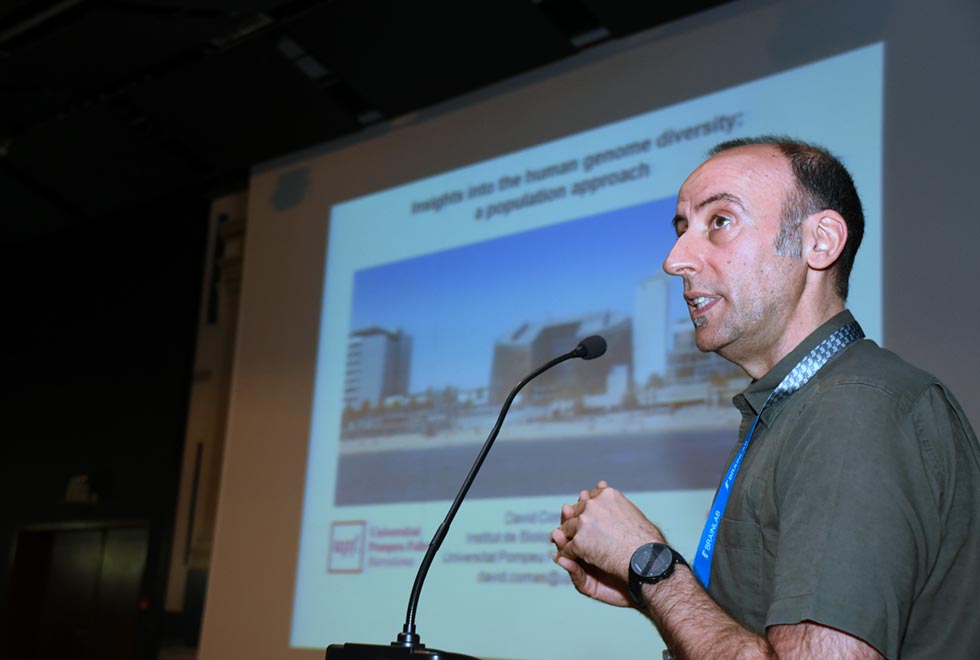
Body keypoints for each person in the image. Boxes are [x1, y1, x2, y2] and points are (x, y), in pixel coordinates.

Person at [551, 136, 980, 659]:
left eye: (720, 222)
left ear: (819, 243)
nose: (675, 260)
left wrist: (652, 568)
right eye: (682, 228)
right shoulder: (796, 404)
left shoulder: (853, 408)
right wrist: (648, 593)